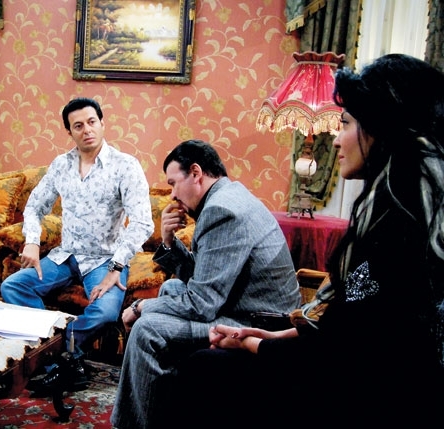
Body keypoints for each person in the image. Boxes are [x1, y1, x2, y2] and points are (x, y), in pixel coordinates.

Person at [172, 54, 444, 428]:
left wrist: (254, 344)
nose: (336, 140)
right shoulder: (396, 211)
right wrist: (274, 334)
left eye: (346, 124)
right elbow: (348, 322)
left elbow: (343, 352)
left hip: (376, 396)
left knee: (204, 370)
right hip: (355, 373)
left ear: (382, 128)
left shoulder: (398, 228)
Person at [111, 139, 301, 429]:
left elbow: (202, 304)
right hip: (246, 304)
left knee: (146, 330)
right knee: (170, 289)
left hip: (257, 321)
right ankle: (168, 407)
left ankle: (134, 424)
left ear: (196, 173)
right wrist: (168, 241)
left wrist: (139, 307)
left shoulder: (221, 211)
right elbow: (205, 278)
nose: (173, 195)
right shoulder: (228, 196)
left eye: (174, 183)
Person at [0, 97, 154, 392]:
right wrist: (32, 242)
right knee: (13, 286)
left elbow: (143, 223)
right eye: (78, 126)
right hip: (66, 256)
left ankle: (55, 355)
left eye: (92, 122)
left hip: (105, 259)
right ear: (69, 131)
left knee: (105, 313)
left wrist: (116, 267)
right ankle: (65, 361)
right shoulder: (61, 165)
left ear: (102, 123)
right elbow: (34, 207)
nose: (87, 130)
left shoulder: (125, 166)